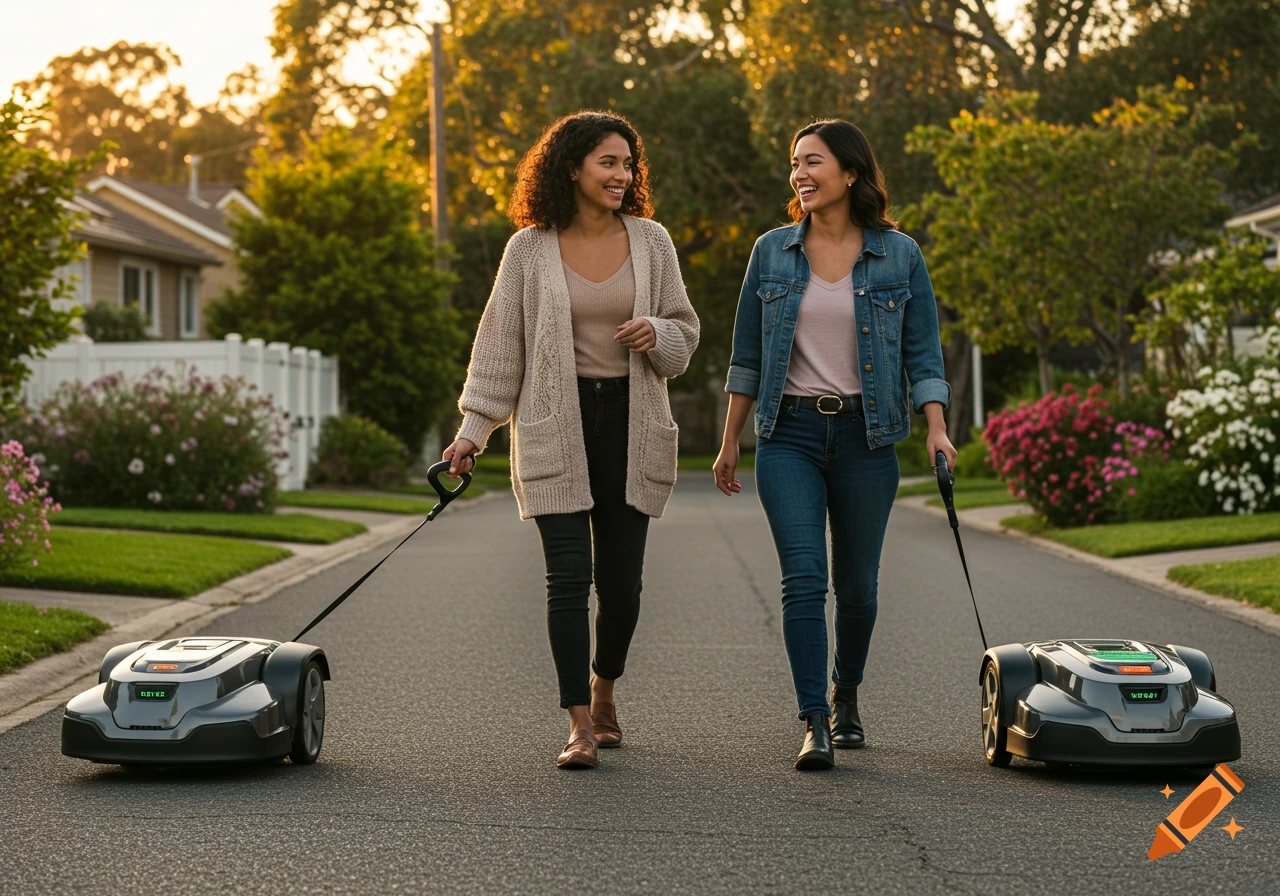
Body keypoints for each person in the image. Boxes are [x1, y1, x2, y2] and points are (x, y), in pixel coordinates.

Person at [443, 111, 700, 769]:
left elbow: (684, 336)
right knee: (567, 579)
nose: (623, 175)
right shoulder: (528, 249)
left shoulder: (652, 242)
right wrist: (473, 432)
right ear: (572, 169)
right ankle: (579, 726)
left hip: (632, 425)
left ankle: (604, 688)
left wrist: (657, 333)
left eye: (628, 163)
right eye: (608, 163)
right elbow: (501, 348)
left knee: (622, 586)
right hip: (555, 424)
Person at [712, 119, 955, 771]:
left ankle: (846, 693)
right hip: (787, 435)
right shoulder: (771, 252)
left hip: (865, 437)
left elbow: (922, 350)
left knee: (859, 588)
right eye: (794, 163)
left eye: (812, 162)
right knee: (803, 579)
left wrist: (936, 425)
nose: (799, 174)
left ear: (850, 173)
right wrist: (731, 439)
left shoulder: (898, 255)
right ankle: (813, 719)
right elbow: (747, 356)